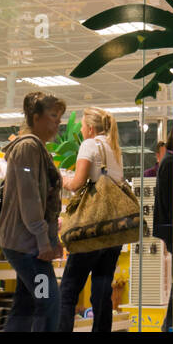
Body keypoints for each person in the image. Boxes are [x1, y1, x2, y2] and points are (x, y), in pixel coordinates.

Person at [0, 91, 65, 332]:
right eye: (53, 116)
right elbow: (30, 199)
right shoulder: (28, 147)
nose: (57, 122)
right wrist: (42, 241)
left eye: (60, 117)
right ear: (35, 117)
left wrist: (51, 239)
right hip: (27, 247)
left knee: (26, 304)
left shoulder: (36, 148)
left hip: (26, 244)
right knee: (48, 302)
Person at [57, 106, 126, 332]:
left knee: (68, 289)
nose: (83, 130)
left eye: (84, 126)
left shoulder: (90, 144)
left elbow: (77, 183)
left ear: (91, 128)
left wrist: (61, 179)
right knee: (102, 292)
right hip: (114, 230)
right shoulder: (114, 148)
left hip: (91, 228)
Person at [154, 131, 173, 331]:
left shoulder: (167, 161)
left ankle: (169, 323)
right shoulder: (170, 163)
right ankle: (169, 324)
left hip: (169, 229)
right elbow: (170, 202)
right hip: (172, 228)